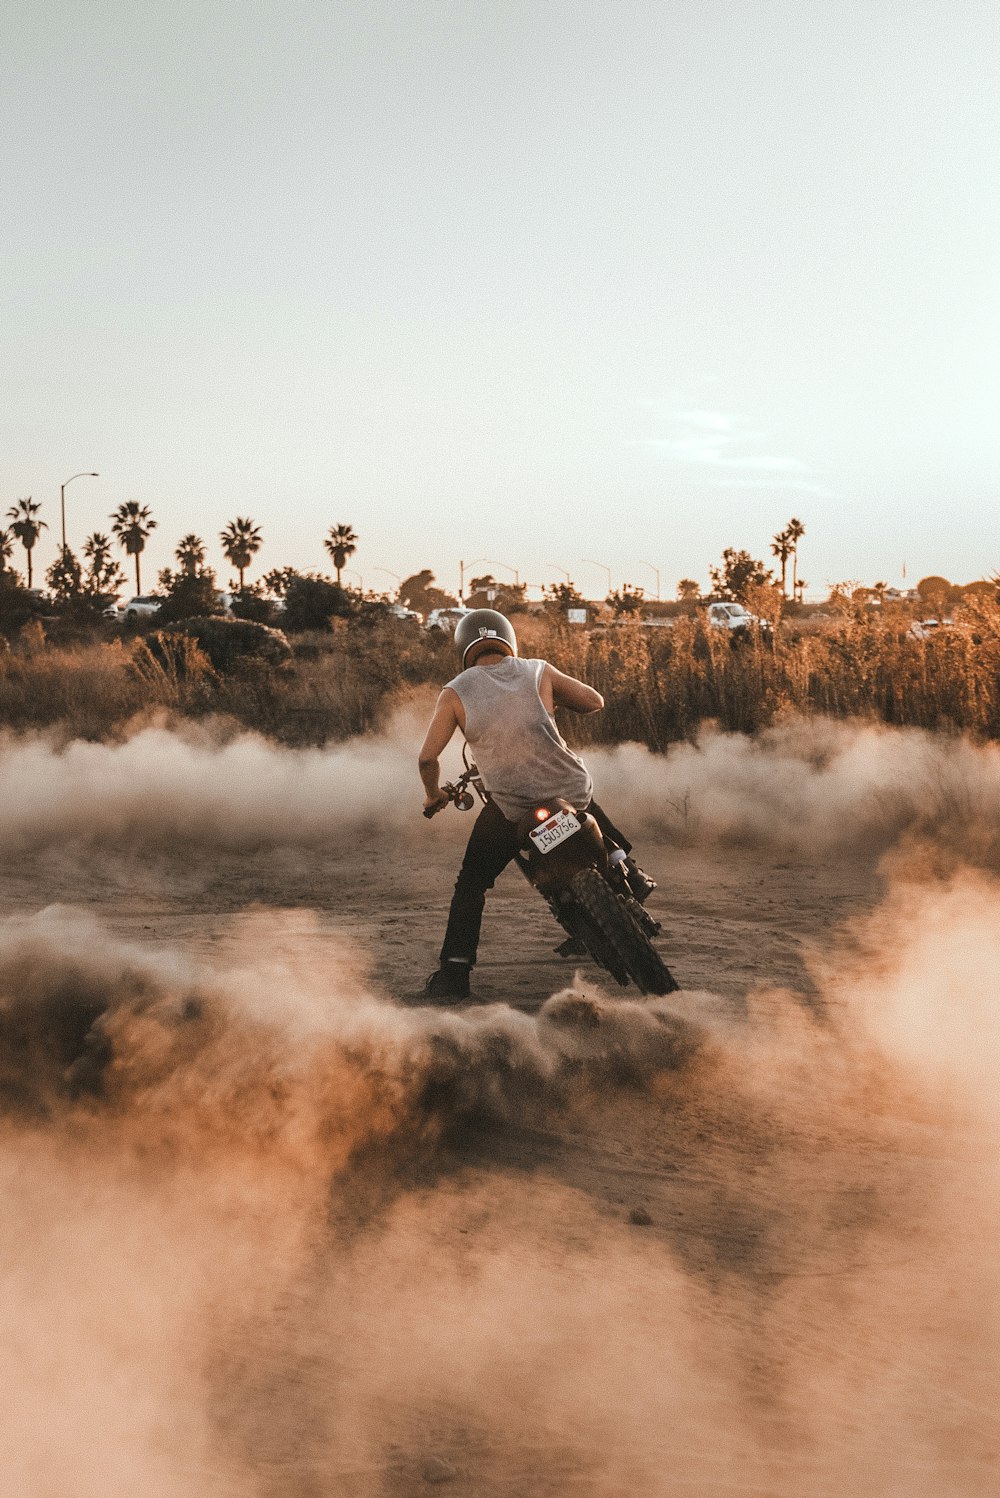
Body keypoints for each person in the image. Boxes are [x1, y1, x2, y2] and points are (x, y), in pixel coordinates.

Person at [418, 608, 656, 1000]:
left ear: (465, 648)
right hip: (570, 791)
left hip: (513, 808)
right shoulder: (537, 670)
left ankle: (454, 973)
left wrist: (432, 795)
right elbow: (594, 701)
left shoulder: (455, 691)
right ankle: (624, 866)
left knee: (472, 883)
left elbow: (427, 759)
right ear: (508, 639)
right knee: (583, 799)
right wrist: (555, 701)